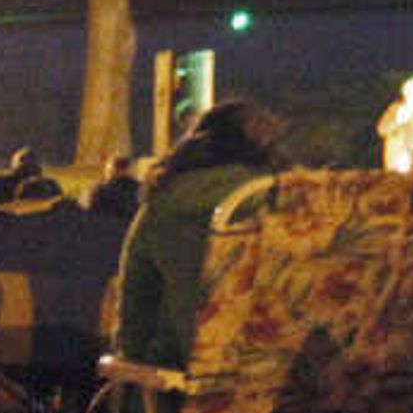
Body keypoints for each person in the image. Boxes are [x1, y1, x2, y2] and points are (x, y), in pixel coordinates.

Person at [108, 100, 290, 368]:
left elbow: (135, 316)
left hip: (186, 380)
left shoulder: (162, 207)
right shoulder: (294, 202)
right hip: (292, 377)